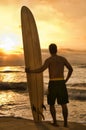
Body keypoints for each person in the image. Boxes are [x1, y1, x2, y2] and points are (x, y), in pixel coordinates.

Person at [25, 43, 73, 127]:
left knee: (51, 104)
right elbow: (71, 69)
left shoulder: (49, 60)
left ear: (50, 50)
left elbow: (41, 69)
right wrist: (66, 80)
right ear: (56, 49)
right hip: (61, 82)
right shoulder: (62, 59)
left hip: (53, 83)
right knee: (63, 104)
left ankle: (55, 122)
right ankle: (65, 123)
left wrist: (30, 71)